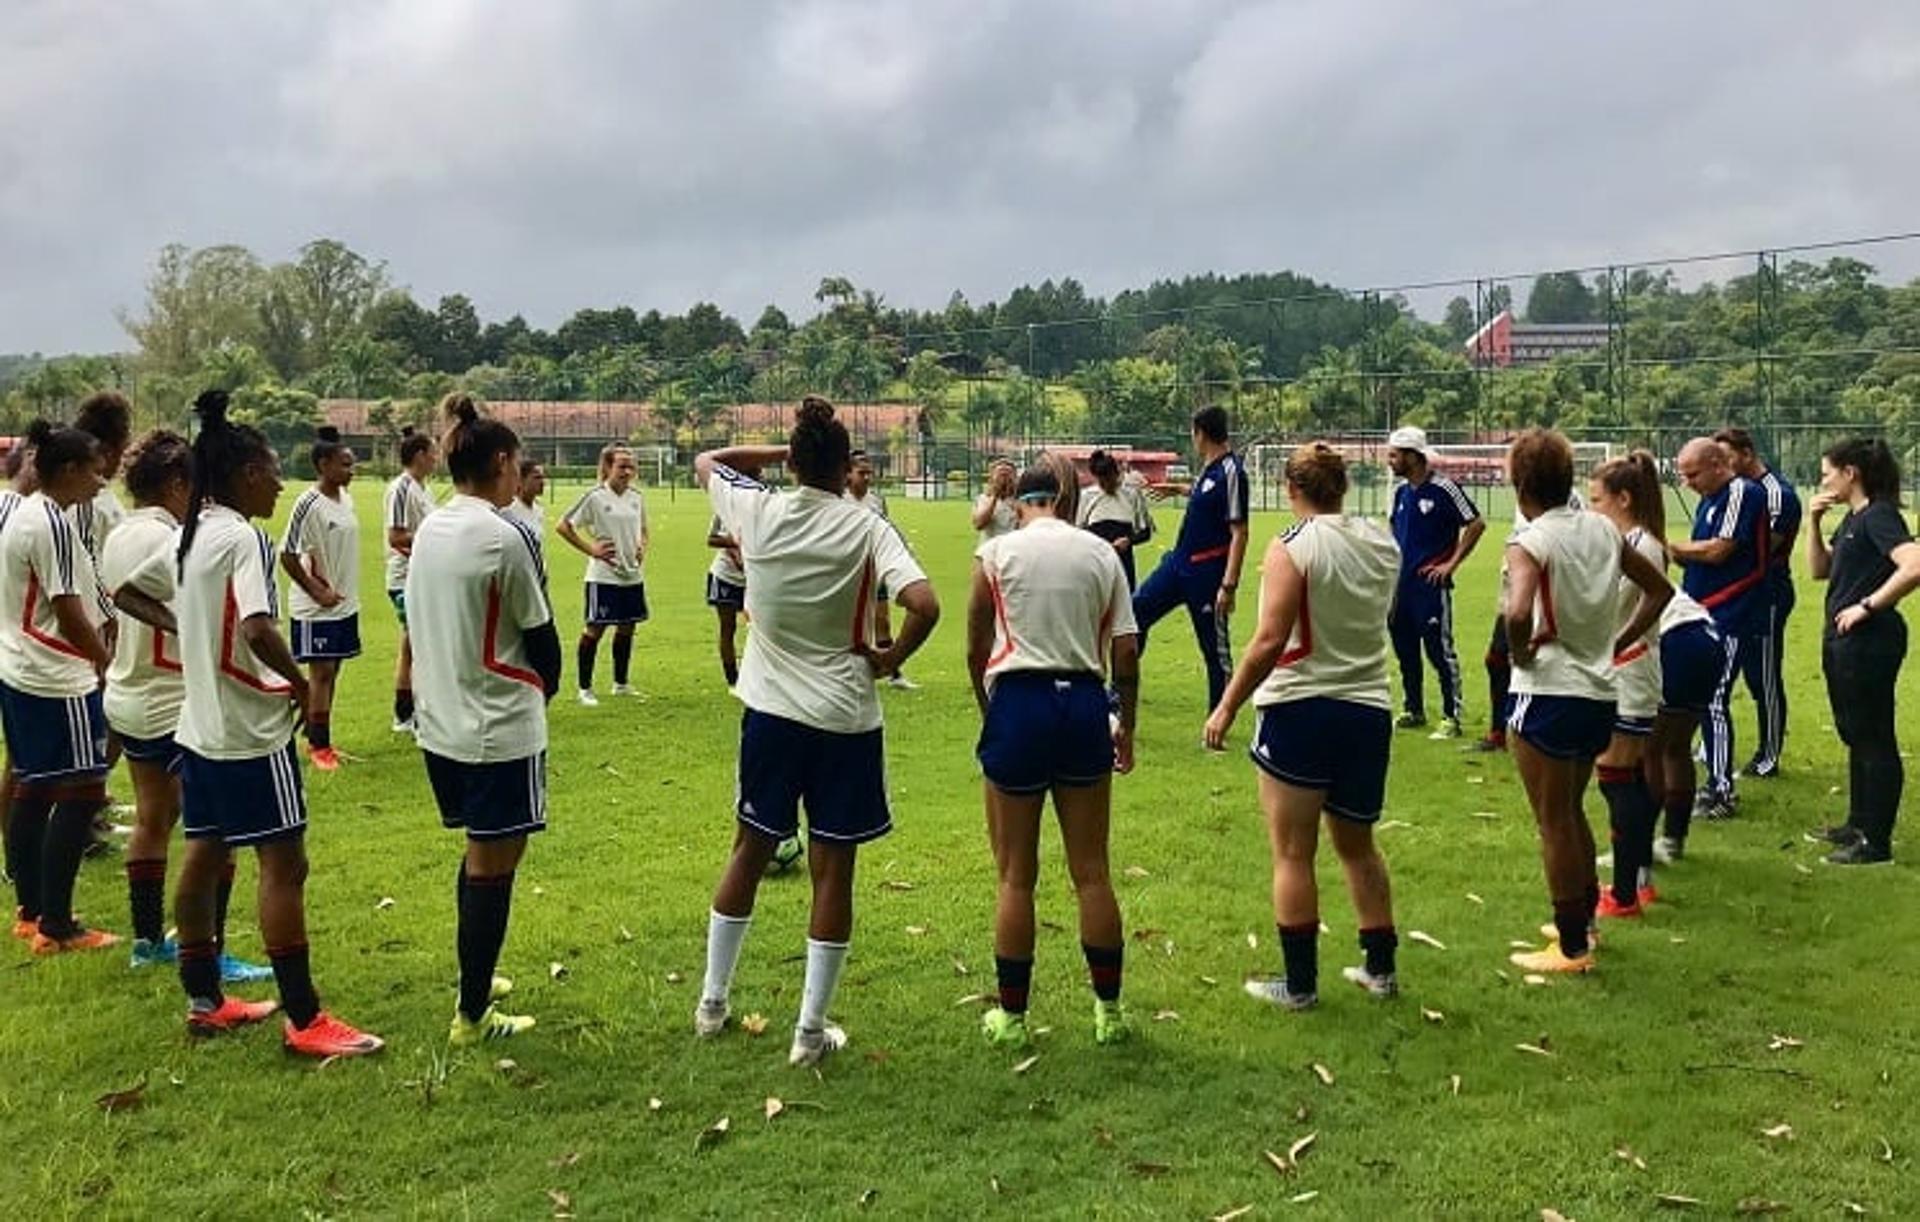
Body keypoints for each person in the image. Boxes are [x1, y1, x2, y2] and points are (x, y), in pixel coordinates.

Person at [691, 396, 940, 1068]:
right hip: (844, 719)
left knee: (748, 848)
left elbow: (706, 460)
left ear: (796, 461)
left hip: (769, 712)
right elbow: (924, 603)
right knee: (834, 872)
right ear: (844, 465)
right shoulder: (866, 526)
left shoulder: (760, 509)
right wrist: (892, 658)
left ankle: (712, 1004)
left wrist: (780, 455)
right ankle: (808, 1032)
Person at [172, 390, 382, 1055]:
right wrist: (295, 685)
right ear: (241, 475)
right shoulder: (243, 539)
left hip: (200, 727)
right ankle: (305, 1018)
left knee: (205, 852)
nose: (278, 481)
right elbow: (260, 627)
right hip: (248, 733)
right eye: (268, 470)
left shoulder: (192, 533)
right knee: (284, 865)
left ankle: (205, 999)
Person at [1203, 443, 1404, 1011]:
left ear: (1292, 490)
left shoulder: (1293, 546)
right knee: (1359, 845)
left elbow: (1270, 639)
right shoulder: (1381, 539)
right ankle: (1380, 969)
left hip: (1302, 707)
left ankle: (1299, 985)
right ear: (1341, 486)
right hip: (1368, 707)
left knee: (1293, 852)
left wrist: (1226, 706)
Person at [967, 461, 1140, 1049]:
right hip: (1085, 704)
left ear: (1019, 502)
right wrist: (1127, 726)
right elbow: (1126, 653)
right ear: (1067, 499)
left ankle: (1013, 1021)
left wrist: (993, 713)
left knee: (1016, 876)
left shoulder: (996, 554)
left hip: (1019, 700)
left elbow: (974, 647)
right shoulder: (1100, 555)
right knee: (1092, 871)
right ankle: (1108, 1014)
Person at [407, 395, 563, 1044]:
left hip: (440, 721)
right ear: (501, 462)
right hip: (496, 725)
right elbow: (543, 638)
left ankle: (478, 973)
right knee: (495, 861)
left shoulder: (434, 528)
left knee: (483, 852)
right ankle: (472, 1013)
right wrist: (539, 690)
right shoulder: (506, 537)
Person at [100, 429, 274, 981]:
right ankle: (210, 952)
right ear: (177, 483)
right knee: (213, 834)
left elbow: (120, 599)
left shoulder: (119, 533)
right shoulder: (174, 538)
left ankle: (148, 939)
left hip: (126, 692)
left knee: (153, 817)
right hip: (171, 697)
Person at [1503, 429, 1670, 974]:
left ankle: (1572, 946)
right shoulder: (1601, 528)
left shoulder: (1530, 539)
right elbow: (1660, 590)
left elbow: (1516, 612)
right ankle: (1583, 922)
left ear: (1518, 481)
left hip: (1549, 690)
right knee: (1571, 811)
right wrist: (1618, 641)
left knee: (1552, 820)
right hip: (1599, 693)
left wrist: (1519, 654)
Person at [0, 421, 116, 953]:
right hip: (56, 675)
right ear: (68, 470)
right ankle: (57, 925)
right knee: (82, 791)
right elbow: (67, 609)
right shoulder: (50, 524)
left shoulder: (29, 515)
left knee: (33, 787)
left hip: (23, 670)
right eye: (94, 470)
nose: (100, 481)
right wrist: (103, 660)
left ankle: (30, 912)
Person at [1586, 452, 1698, 917]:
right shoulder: (1633, 538)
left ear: (1624, 499)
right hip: (1626, 670)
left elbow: (1656, 597)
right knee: (1621, 777)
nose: (1592, 509)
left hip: (1632, 673)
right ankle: (1634, 882)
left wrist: (1617, 642)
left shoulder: (1643, 546)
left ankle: (1628, 892)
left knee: (1618, 780)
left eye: (1597, 500)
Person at [1804, 438, 1920, 865]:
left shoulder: (1879, 517)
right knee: (1855, 733)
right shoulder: (1855, 519)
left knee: (1874, 737)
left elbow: (1915, 564)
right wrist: (1813, 522)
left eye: (1827, 472)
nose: (1823, 479)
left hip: (1870, 641)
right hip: (1843, 640)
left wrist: (1868, 606)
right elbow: (1820, 570)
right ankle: (1857, 823)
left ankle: (1877, 843)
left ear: (1850, 473)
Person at [1668, 437, 1770, 821]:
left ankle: (1721, 790)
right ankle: (1710, 780)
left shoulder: (1741, 491)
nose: (1688, 483)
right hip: (1706, 610)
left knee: (1713, 700)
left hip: (1731, 611)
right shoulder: (1712, 499)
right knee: (1701, 700)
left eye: (1693, 474)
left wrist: (1669, 548)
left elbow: (1720, 550)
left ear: (1717, 463)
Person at [1134, 405, 1250, 713]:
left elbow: (1239, 532)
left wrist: (1229, 585)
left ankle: (1219, 717)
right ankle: (1119, 695)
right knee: (1135, 613)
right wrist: (1181, 489)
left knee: (1214, 650)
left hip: (1208, 573)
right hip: (1178, 565)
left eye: (1193, 433)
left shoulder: (1232, 471)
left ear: (1200, 433)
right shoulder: (1209, 471)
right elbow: (1206, 495)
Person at [1385, 425, 1485, 740]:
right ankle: (1413, 708)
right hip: (1401, 589)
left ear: (1413, 456)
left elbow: (1476, 523)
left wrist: (1450, 564)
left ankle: (1451, 715)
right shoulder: (1400, 493)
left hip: (1430, 587)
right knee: (1405, 649)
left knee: (1438, 649)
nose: (1390, 461)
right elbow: (1394, 532)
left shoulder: (1444, 488)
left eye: (1394, 455)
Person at [1714, 428, 1801, 779]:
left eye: (1726, 457)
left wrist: (1719, 553)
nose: (1722, 466)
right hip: (1738, 594)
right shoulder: (1731, 492)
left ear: (1747, 453)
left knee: (1763, 676)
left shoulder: (1776, 494)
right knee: (1723, 671)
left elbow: (1761, 551)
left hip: (1768, 594)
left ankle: (1769, 755)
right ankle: (1712, 746)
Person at [1472, 488, 1581, 754]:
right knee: (1496, 659)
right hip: (1516, 582)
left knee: (1537, 657)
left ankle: (1539, 731)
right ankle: (1500, 731)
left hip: (1540, 586)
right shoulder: (1525, 495)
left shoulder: (1567, 500)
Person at [281, 427, 360, 771]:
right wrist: (317, 590)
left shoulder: (347, 499)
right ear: (323, 464)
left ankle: (320, 736)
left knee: (334, 670)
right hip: (315, 608)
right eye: (344, 465)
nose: (351, 471)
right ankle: (318, 746)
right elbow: (287, 554)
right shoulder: (308, 504)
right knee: (322, 672)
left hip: (345, 604)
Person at [557, 443, 650, 705]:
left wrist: (642, 546)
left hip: (632, 575)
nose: (627, 471)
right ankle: (584, 689)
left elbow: (644, 529)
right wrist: (591, 549)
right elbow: (563, 526)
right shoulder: (595, 497)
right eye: (622, 466)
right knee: (595, 629)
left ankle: (620, 684)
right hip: (604, 576)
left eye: (631, 466)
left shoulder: (636, 497)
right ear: (608, 467)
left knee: (627, 627)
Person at [845, 449, 917, 690]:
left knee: (882, 620)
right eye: (861, 473)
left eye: (869, 473)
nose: (866, 478)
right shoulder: (839, 499)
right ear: (848, 474)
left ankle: (894, 673)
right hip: (849, 570)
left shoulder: (876, 500)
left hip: (875, 566)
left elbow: (885, 527)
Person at [384, 427, 437, 734]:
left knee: (413, 646)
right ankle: (409, 714)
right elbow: (396, 536)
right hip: (405, 580)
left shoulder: (423, 489)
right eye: (432, 452)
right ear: (419, 455)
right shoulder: (402, 488)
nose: (436, 458)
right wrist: (434, 538)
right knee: (418, 646)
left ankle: (406, 713)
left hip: (421, 577)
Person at [1077, 448, 1154, 590]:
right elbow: (1078, 534)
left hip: (1123, 567)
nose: (1107, 484)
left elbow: (1146, 533)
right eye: (1102, 481)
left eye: (1110, 479)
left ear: (1117, 473)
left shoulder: (1132, 495)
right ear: (1096, 477)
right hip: (1096, 565)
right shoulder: (1087, 497)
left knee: (1125, 607)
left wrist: (1129, 541)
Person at [971, 459, 1019, 541]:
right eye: (1000, 474)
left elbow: (1029, 526)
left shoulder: (1023, 500)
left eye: (1008, 474)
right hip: (991, 549)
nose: (1004, 479)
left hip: (1014, 549)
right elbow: (979, 525)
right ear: (991, 478)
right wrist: (995, 497)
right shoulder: (983, 499)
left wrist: (1014, 497)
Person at [502, 458, 546, 538]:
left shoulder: (538, 509)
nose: (542, 482)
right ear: (520, 480)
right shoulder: (508, 510)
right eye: (537, 478)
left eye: (543, 477)